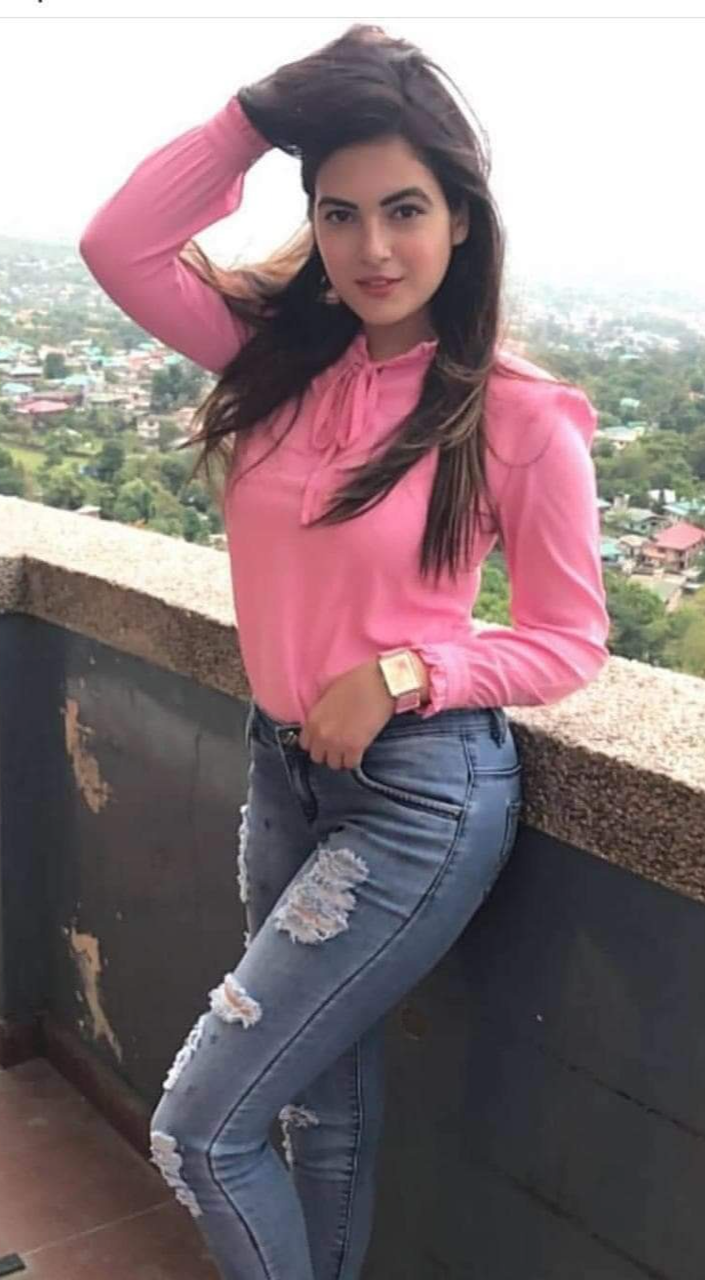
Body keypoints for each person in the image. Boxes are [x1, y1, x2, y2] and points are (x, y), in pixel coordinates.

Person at [79, 23, 610, 1280]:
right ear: (312, 220)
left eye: (406, 209)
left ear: (461, 217)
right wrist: (260, 113)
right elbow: (118, 245)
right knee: (323, 1107)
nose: (374, 247)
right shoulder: (279, 365)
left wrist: (409, 671)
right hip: (284, 770)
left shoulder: (517, 414)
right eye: (340, 212)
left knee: (200, 1131)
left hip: (418, 795)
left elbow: (571, 638)